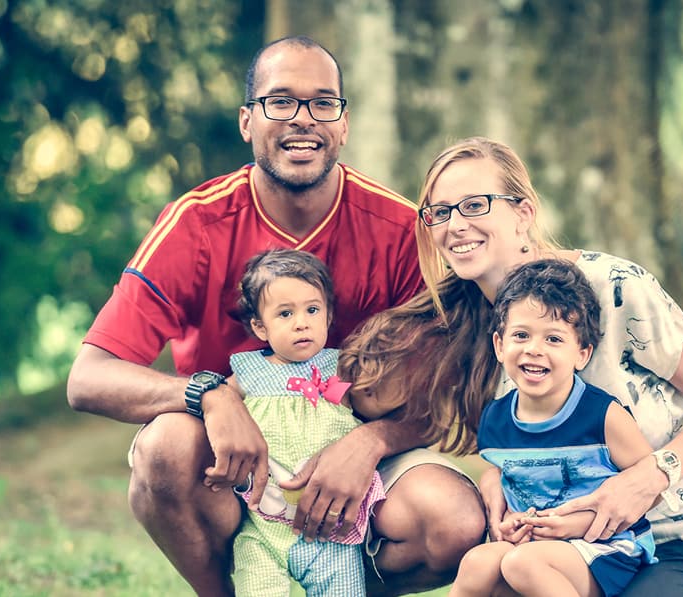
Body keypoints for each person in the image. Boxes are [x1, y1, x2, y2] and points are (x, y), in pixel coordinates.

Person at [66, 36, 485, 596]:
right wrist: (210, 396)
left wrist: (371, 442)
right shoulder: (196, 224)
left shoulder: (400, 229)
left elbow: (447, 386)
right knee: (164, 448)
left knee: (454, 523)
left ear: (343, 123)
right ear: (247, 120)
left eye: (322, 103)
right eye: (281, 101)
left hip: (357, 474)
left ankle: (333, 586)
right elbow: (89, 376)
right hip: (235, 470)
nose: (302, 120)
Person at [403, 136, 683, 596]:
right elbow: (524, 445)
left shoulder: (613, 288)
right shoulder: (476, 334)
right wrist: (497, 485)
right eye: (440, 212)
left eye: (474, 205)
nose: (455, 225)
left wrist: (646, 479)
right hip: (560, 555)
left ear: (523, 214)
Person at [449, 259, 657, 597]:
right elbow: (504, 479)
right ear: (500, 345)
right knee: (479, 562)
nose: (534, 348)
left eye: (554, 339)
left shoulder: (602, 415)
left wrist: (571, 525)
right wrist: (511, 522)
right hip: (535, 544)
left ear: (582, 353)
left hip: (605, 546)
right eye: (521, 335)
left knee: (523, 564)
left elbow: (649, 487)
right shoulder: (496, 419)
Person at [224, 249, 385, 596]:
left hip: (331, 526)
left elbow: (379, 408)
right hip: (262, 527)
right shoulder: (247, 373)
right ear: (259, 327)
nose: (301, 322)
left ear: (328, 317)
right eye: (285, 313)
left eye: (312, 310)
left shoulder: (342, 367)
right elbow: (220, 413)